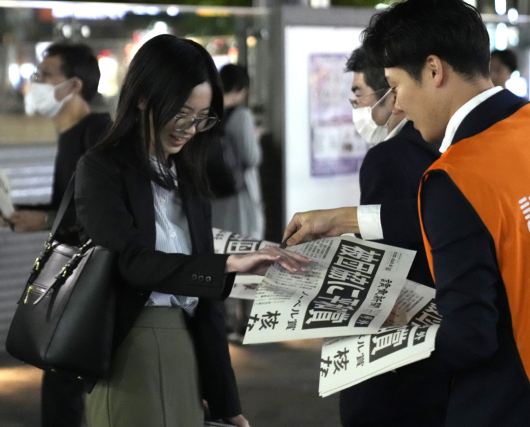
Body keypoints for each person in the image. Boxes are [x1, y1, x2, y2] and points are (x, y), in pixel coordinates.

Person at [282, 1, 530, 426]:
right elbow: (492, 217)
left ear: (434, 70)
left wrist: (379, 350)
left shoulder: (456, 174)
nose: (396, 107)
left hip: (527, 403)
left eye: (396, 87)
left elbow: (470, 338)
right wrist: (345, 219)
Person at [74, 34, 309, 427]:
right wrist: (226, 265)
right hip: (130, 351)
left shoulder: (186, 176)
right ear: (144, 97)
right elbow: (132, 263)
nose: (191, 128)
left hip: (185, 348)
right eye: (182, 113)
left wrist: (226, 404)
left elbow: (208, 306)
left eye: (202, 117)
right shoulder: (101, 168)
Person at [0, 43, 111, 427]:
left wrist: (44, 220)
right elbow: (64, 202)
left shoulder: (97, 131)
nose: (36, 83)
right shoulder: (70, 136)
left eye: (45, 74)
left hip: (90, 285)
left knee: (65, 391)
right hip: (74, 284)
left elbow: (99, 210)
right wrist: (22, 213)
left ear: (74, 86)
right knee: (62, 387)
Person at [340, 47, 448, 427]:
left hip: (402, 347)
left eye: (358, 94)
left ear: (392, 95)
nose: (355, 106)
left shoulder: (387, 157)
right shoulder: (439, 145)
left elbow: (384, 257)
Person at [211, 64, 264, 240]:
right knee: (244, 245)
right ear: (237, 88)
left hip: (213, 192)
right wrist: (254, 136)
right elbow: (252, 157)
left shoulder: (207, 112)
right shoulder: (241, 116)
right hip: (239, 193)